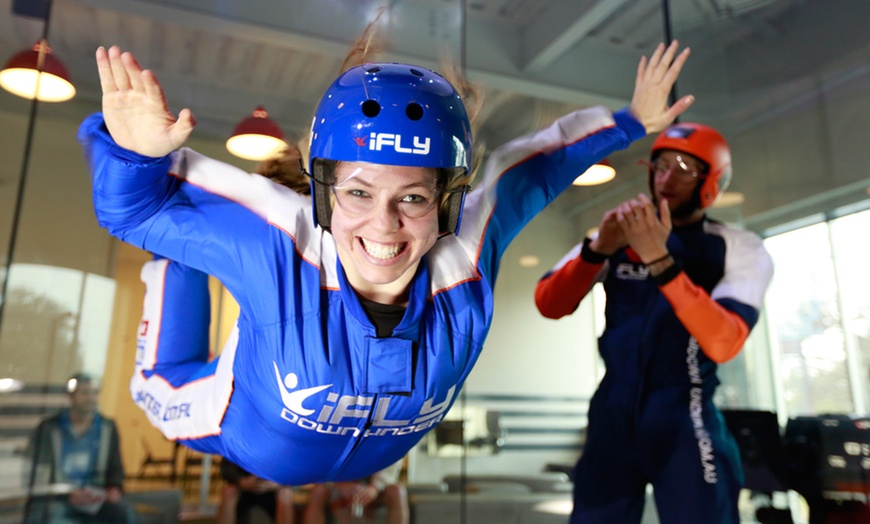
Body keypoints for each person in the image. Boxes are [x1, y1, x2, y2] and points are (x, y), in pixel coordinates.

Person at [78, 37, 693, 485]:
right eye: (358, 193)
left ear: (447, 203)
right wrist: (132, 155)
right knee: (168, 287)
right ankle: (181, 262)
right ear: (324, 195)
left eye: (414, 198)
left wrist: (630, 121)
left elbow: (534, 167)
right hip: (231, 422)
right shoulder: (281, 240)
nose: (385, 226)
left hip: (358, 456)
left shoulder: (466, 256)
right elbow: (134, 211)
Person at [534, 122, 775, 523]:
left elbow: (724, 341)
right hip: (611, 416)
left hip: (686, 420)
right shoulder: (613, 237)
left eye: (684, 168)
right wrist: (598, 250)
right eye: (661, 165)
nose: (667, 178)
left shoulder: (737, 247)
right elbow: (549, 303)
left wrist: (661, 262)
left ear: (711, 182)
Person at [24, 374, 135, 523]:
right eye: (84, 393)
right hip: (57, 498)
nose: (90, 397)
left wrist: (114, 488)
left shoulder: (107, 427)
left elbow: (116, 466)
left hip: (95, 495)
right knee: (56, 516)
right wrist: (66, 494)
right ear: (70, 396)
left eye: (94, 392)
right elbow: (36, 473)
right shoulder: (49, 428)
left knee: (123, 511)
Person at [302, 460, 407, 524]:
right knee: (319, 491)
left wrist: (375, 487)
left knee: (398, 491)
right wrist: (339, 484)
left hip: (373, 485)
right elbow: (321, 463)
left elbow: (393, 457)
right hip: (338, 482)